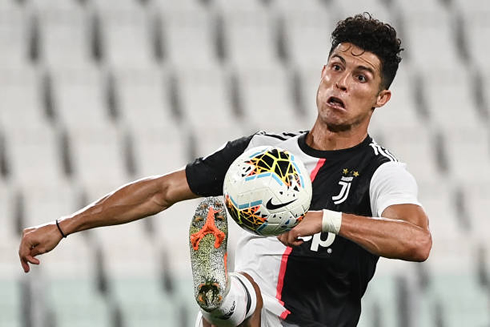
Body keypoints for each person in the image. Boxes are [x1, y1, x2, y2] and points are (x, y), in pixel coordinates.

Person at [19, 13, 432, 327]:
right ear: (323, 72)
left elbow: (417, 242)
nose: (341, 83)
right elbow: (161, 190)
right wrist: (63, 226)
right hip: (250, 310)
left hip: (314, 319)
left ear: (382, 98)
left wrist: (326, 220)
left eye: (361, 77)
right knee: (243, 292)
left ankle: (223, 300)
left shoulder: (382, 172)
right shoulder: (262, 150)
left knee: (240, 302)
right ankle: (221, 297)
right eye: (336, 67)